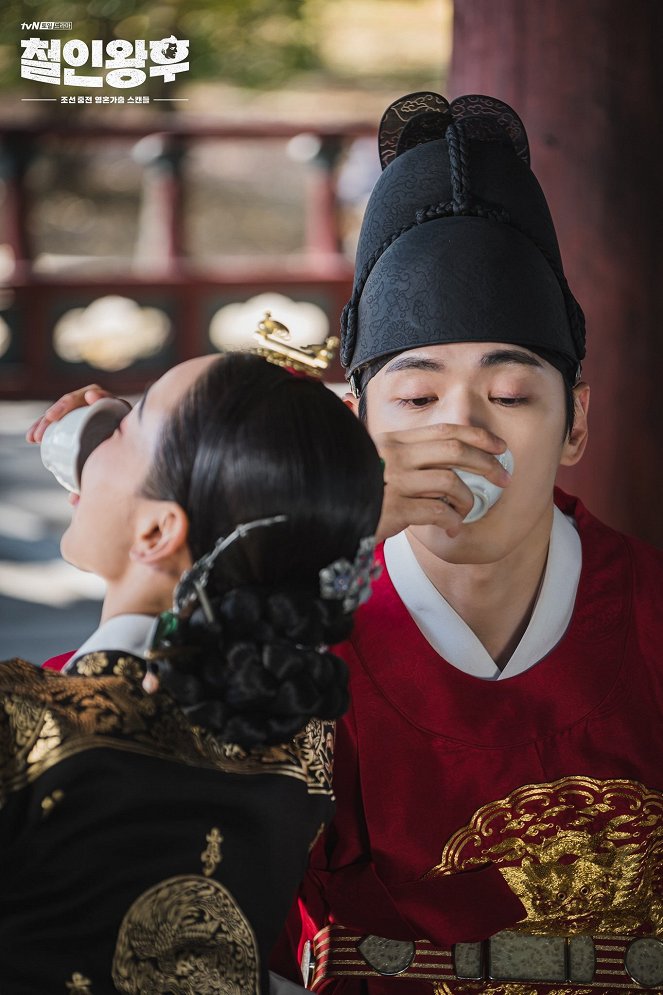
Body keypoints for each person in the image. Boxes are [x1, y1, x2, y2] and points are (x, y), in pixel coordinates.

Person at [266, 93, 663, 994]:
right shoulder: (294, 624)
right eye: (413, 399)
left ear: (574, 425)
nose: (462, 432)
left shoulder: (652, 615)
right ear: (352, 424)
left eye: (512, 396)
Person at [2, 351, 383, 994]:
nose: (96, 424)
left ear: (155, 529)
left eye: (124, 425)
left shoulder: (23, 722)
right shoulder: (300, 741)